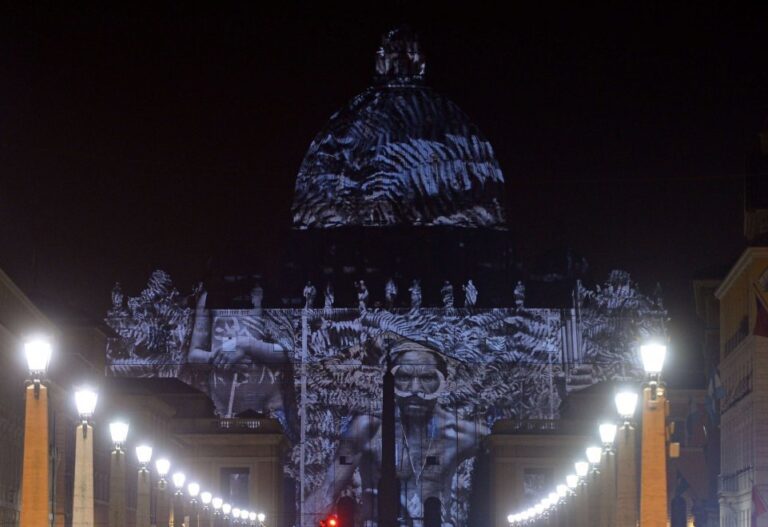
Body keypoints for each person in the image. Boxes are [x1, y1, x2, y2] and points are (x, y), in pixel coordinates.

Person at [308, 339, 486, 527]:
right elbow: (326, 493)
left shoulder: (462, 435)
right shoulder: (367, 430)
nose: (415, 389)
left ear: (442, 382)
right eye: (404, 377)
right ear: (392, 383)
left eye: (426, 378)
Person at [187, 285, 290, 418]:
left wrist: (246, 344)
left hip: (270, 408)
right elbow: (193, 355)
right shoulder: (209, 297)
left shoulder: (268, 294)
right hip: (222, 410)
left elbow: (284, 352)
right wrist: (219, 357)